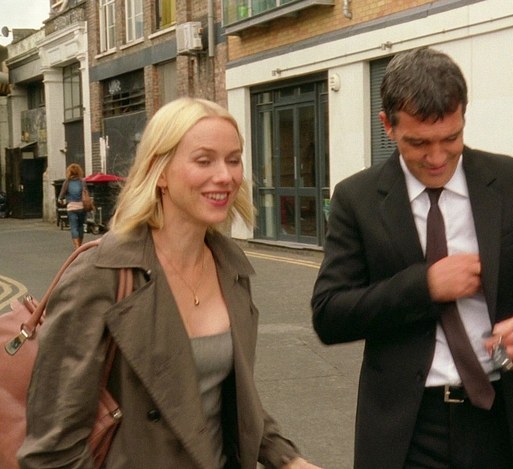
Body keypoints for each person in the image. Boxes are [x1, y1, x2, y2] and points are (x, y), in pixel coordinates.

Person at [311, 48, 513, 468]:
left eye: (450, 139)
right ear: (387, 126)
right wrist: (424, 286)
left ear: (463, 118)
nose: (437, 158)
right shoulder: (357, 199)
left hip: (506, 422)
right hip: (407, 431)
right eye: (418, 143)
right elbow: (329, 314)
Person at [19, 98, 322, 469]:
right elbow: (52, 451)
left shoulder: (231, 269)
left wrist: (285, 458)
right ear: (160, 172)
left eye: (233, 159)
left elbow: (229, 398)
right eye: (204, 160)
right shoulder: (100, 275)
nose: (226, 176)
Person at [58, 163, 90, 250]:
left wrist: (62, 201)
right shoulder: (82, 182)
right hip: (82, 207)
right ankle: (80, 244)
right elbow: (86, 193)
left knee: (74, 227)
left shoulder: (67, 182)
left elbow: (61, 196)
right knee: (80, 226)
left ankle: (77, 246)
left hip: (71, 208)